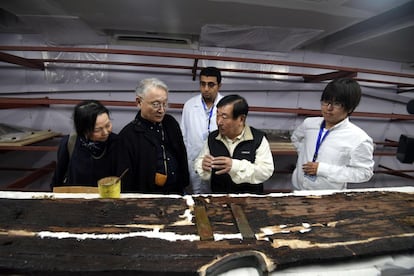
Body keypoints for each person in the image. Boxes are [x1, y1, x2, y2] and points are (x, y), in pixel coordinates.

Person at [291, 78, 375, 190]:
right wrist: (305, 155)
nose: (328, 108)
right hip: (297, 190)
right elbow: (295, 138)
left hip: (328, 198)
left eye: (337, 104)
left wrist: (323, 169)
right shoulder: (309, 124)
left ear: (350, 108)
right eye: (326, 102)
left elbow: (364, 173)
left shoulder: (359, 138)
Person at [116, 78, 189, 194]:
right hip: (148, 197)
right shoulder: (128, 135)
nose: (161, 110)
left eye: (165, 104)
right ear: (139, 102)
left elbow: (181, 155)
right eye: (156, 104)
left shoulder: (170, 123)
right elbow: (126, 180)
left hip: (176, 192)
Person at [194, 94, 274, 194]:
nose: (219, 122)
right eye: (217, 115)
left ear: (241, 119)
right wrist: (202, 165)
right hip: (219, 198)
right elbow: (199, 162)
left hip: (249, 200)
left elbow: (266, 171)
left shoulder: (257, 139)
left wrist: (235, 166)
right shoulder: (213, 138)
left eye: (224, 117)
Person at [51, 100, 118, 188]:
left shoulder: (117, 143)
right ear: (83, 130)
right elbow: (58, 179)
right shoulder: (70, 143)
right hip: (76, 198)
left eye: (108, 125)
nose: (105, 132)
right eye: (97, 130)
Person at [181, 67, 224, 194]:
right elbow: (184, 136)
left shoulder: (227, 106)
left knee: (216, 201)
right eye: (203, 84)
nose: (206, 89)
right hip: (193, 162)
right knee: (193, 202)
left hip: (217, 164)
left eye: (211, 85)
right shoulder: (189, 105)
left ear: (219, 86)